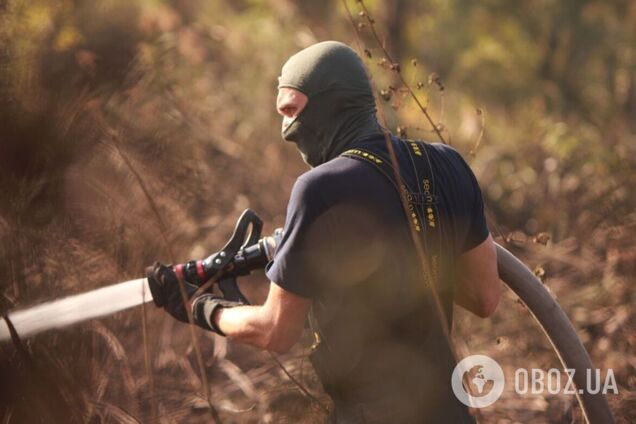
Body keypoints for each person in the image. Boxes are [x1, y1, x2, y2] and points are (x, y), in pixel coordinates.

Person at [148, 40, 500, 423]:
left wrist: (199, 307)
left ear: (328, 103)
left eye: (291, 110)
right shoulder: (447, 164)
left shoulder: (319, 188)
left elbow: (275, 332)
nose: (286, 130)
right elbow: (485, 298)